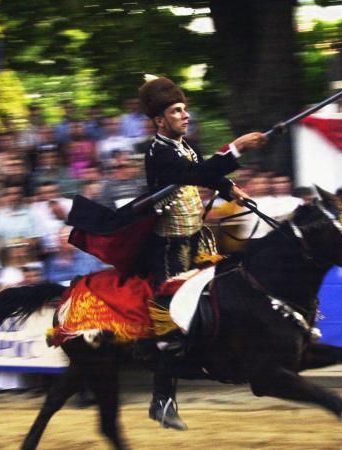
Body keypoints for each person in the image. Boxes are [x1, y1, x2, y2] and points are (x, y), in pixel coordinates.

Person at [139, 77, 268, 429]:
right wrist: (237, 147)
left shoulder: (184, 147)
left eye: (185, 109)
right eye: (176, 111)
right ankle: (162, 400)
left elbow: (204, 176)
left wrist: (229, 188)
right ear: (160, 120)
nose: (185, 115)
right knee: (175, 315)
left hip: (198, 239)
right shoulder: (159, 152)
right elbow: (195, 173)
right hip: (169, 249)